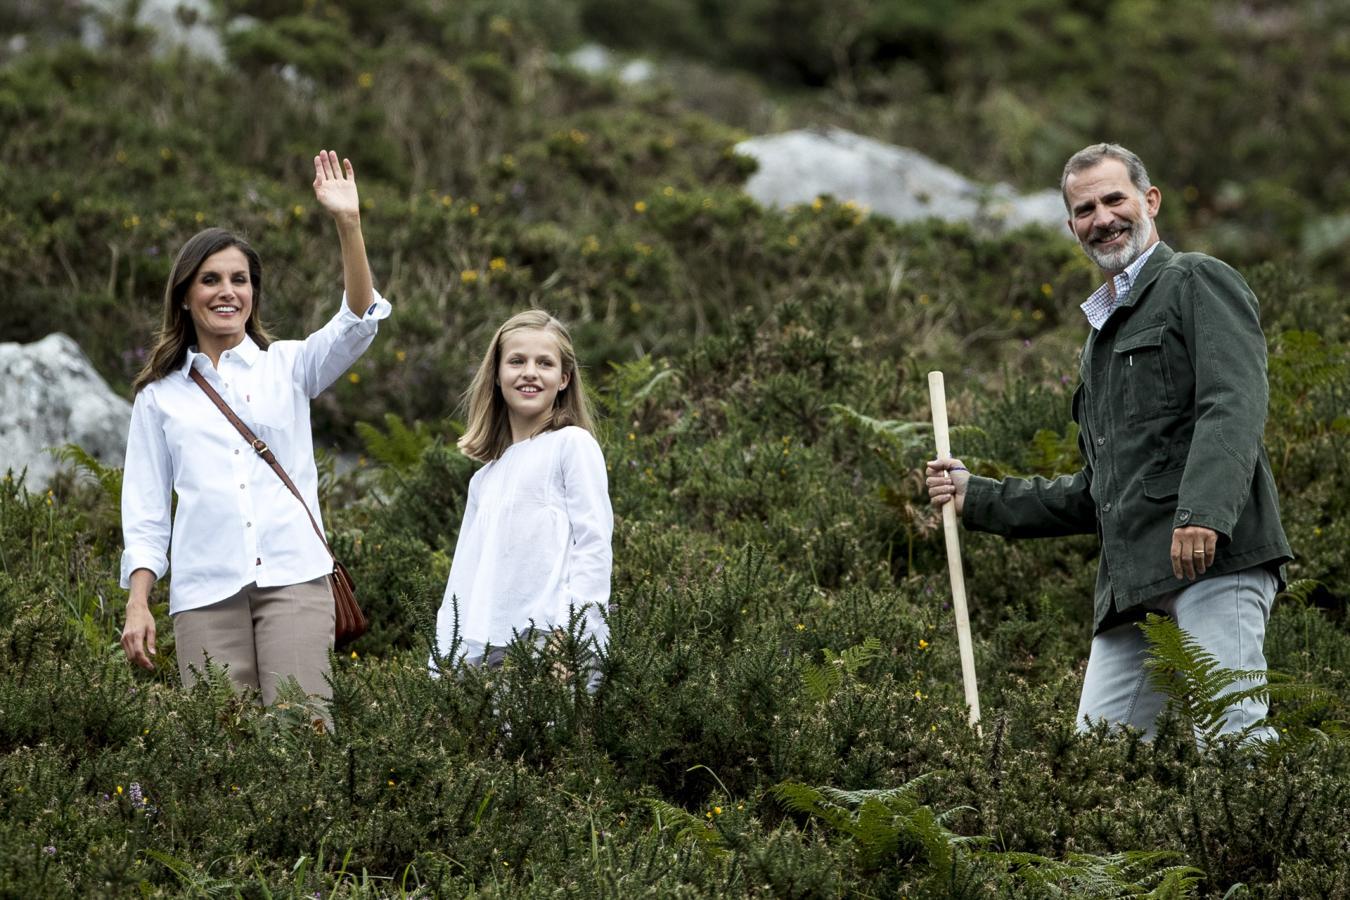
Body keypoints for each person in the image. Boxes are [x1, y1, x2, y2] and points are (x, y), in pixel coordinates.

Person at [926, 143, 1292, 741]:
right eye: (1084, 209)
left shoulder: (1195, 279)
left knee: (1234, 744)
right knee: (1098, 763)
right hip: (1131, 590)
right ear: (1072, 226)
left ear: (1149, 201)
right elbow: (1101, 490)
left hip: (1215, 561)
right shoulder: (1098, 342)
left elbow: (1233, 403)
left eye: (1114, 199)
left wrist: (1201, 513)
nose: (1102, 218)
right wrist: (979, 497)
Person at [119, 150, 390, 725]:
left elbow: (358, 322)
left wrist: (349, 224)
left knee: (302, 737)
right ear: (185, 296)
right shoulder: (158, 397)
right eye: (210, 279)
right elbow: (145, 516)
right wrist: (138, 601)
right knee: (221, 750)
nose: (227, 291)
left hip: (294, 578)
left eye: (239, 280)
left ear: (253, 293)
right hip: (204, 593)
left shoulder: (289, 366)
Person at [431, 310, 612, 689]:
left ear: (564, 379)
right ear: (497, 376)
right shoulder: (485, 478)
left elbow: (593, 544)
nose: (530, 372)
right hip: (488, 647)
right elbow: (465, 573)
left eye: (544, 363)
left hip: (555, 644)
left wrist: (572, 637)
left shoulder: (572, 445)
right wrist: (444, 659)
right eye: (517, 361)